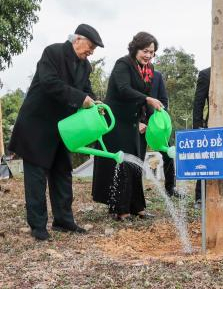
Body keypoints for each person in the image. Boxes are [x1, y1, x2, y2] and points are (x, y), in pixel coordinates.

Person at [8, 24, 103, 241]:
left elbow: (86, 89)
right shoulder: (53, 52)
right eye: (90, 46)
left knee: (63, 171)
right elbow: (49, 83)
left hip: (63, 127)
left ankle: (63, 220)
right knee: (36, 177)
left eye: (94, 49)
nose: (91, 52)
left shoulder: (85, 66)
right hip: (37, 124)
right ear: (77, 39)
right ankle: (38, 226)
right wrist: (80, 98)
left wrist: (95, 101)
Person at [92, 32, 164, 220]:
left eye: (152, 52)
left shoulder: (148, 69)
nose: (148, 55)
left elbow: (144, 98)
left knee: (136, 162)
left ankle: (137, 207)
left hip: (133, 122)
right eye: (145, 51)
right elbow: (124, 89)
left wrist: (146, 120)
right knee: (121, 163)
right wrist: (147, 99)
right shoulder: (123, 64)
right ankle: (120, 209)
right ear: (135, 49)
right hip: (116, 122)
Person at [192, 66, 223, 206]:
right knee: (207, 160)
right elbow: (198, 102)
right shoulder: (206, 74)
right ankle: (200, 196)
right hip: (213, 124)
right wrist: (197, 127)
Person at [139, 69, 178, 197]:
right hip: (139, 124)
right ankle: (136, 193)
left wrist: (158, 120)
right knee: (137, 158)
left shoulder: (157, 76)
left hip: (157, 125)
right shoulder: (132, 74)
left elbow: (164, 101)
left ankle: (170, 188)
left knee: (168, 155)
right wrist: (139, 122)